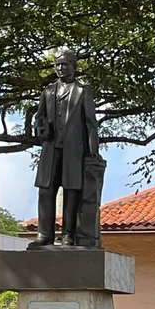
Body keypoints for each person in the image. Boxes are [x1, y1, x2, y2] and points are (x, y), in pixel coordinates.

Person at [28, 48, 99, 248]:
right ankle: (45, 234)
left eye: (65, 64)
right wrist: (41, 128)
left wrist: (93, 152)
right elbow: (39, 116)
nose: (61, 68)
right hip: (51, 149)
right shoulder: (48, 92)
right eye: (58, 64)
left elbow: (91, 124)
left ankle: (69, 234)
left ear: (74, 67)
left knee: (72, 191)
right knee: (46, 190)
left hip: (74, 151)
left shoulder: (83, 92)